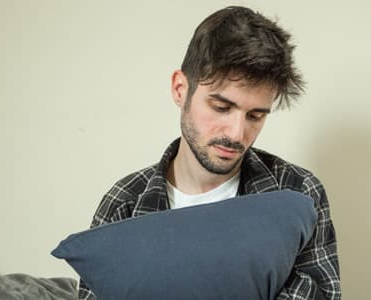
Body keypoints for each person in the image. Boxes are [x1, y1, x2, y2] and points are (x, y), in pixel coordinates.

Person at [79, 6, 341, 299]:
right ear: (180, 89)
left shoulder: (299, 192)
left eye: (255, 116)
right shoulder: (123, 205)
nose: (236, 133)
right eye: (221, 107)